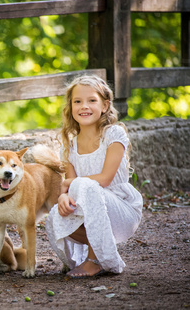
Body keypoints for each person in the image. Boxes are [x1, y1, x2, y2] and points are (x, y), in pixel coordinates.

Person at [46, 75, 143, 278]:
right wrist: (64, 196)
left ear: (105, 105)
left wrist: (70, 183)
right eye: (77, 101)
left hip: (121, 210)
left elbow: (105, 179)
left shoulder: (113, 134)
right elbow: (69, 188)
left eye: (92, 100)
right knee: (55, 216)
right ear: (70, 107)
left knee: (86, 185)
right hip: (90, 210)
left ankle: (96, 260)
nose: (84, 106)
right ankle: (92, 255)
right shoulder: (70, 147)